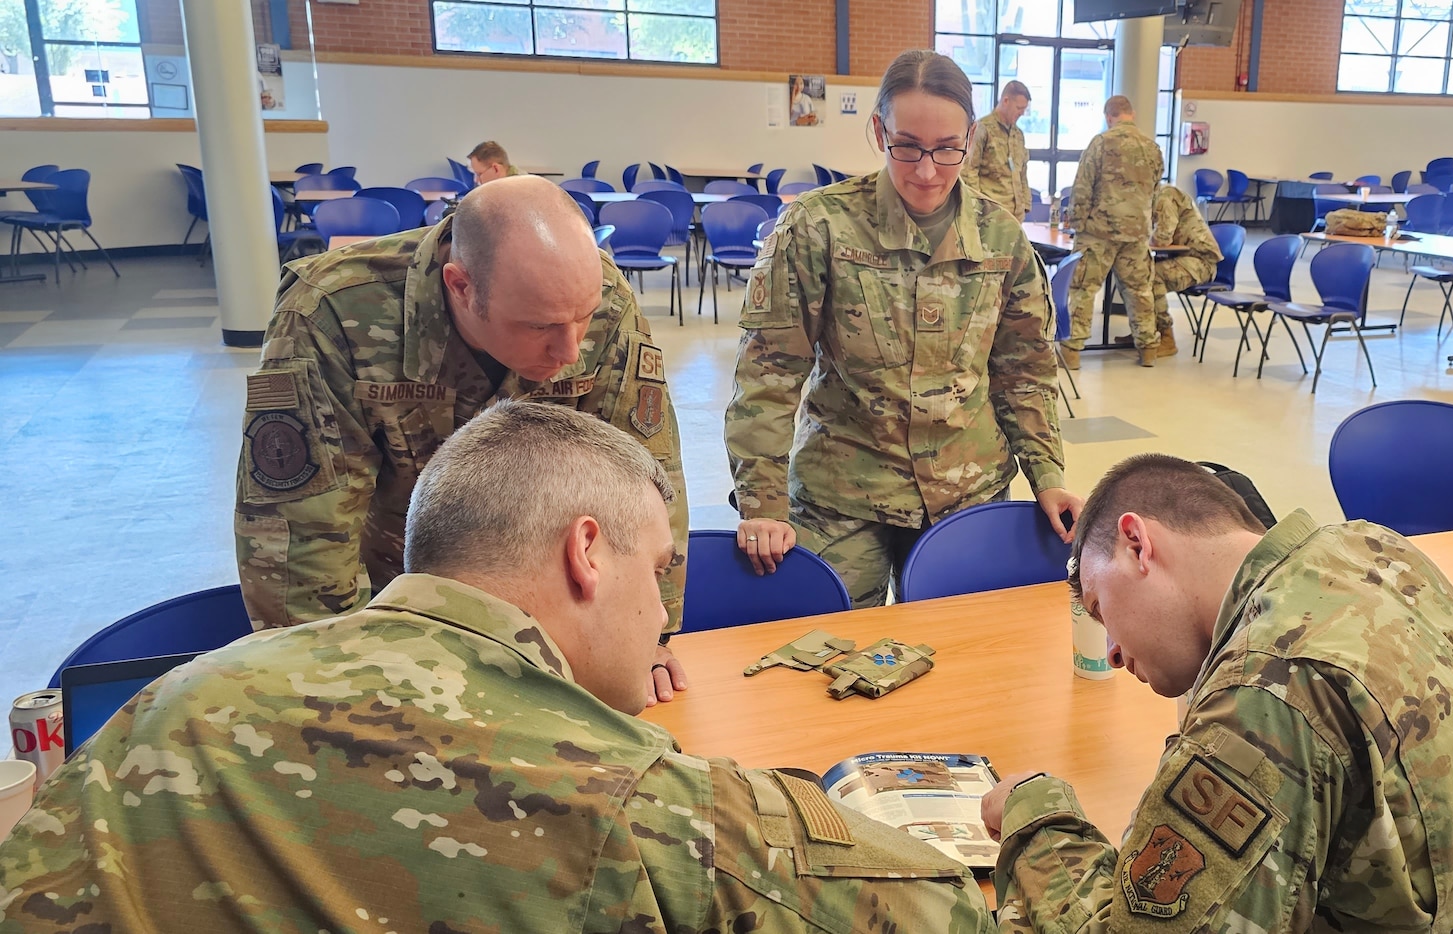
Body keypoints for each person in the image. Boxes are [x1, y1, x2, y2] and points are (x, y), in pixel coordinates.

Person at [0, 402, 995, 933]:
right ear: (585, 552)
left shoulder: (174, 703)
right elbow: (942, 912)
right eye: (655, 571)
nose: (661, 613)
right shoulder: (639, 807)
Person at [984, 454, 1453, 931]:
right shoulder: (1375, 552)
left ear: (1137, 544)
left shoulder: (1266, 690)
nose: (1109, 647)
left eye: (1100, 608)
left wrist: (1036, 816)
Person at [234, 175, 692, 704]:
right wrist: (339, 679)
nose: (570, 349)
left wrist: (652, 634)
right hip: (390, 597)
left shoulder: (595, 294)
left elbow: (648, 481)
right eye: (539, 326)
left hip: (546, 616)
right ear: (460, 286)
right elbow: (299, 533)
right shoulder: (332, 312)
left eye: (582, 319)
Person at [726, 49, 1082, 608]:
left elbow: (1025, 373)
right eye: (907, 146)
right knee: (832, 659)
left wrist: (1047, 474)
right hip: (842, 496)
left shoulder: (1002, 238)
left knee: (966, 662)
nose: (926, 171)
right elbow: (768, 377)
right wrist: (763, 503)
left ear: (971, 136)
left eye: (947, 149)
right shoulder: (818, 227)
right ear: (878, 131)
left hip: (968, 494)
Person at [1064, 95, 1165, 368]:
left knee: (1084, 289)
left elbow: (1083, 186)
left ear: (1110, 116)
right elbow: (1157, 192)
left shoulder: (1101, 142)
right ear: (1130, 114)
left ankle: (1072, 351)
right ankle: (1148, 349)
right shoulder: (1153, 148)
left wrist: (1077, 223)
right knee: (1140, 291)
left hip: (1100, 232)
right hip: (1137, 233)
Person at [1148, 181, 1222, 358]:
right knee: (1132, 272)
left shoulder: (1165, 195)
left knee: (1152, 276)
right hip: (1180, 257)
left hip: (1200, 262)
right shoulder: (1148, 196)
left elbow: (1162, 238)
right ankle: (1144, 331)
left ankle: (1166, 337)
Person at [968, 80, 1034, 219]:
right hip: (990, 215)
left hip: (1015, 215)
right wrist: (978, 208)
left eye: (1024, 109)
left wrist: (1026, 204)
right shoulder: (982, 128)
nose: (1021, 113)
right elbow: (969, 170)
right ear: (1006, 101)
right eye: (1018, 108)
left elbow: (1022, 172)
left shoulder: (1018, 134)